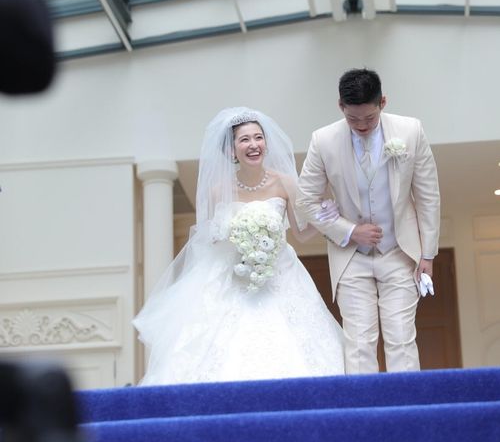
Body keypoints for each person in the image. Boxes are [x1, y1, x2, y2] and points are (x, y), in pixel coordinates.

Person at [133, 107, 345, 384]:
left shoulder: (285, 183)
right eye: (245, 140)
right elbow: (210, 239)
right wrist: (237, 240)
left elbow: (301, 234)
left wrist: (325, 219)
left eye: (258, 137)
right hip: (235, 277)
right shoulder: (218, 190)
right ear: (231, 150)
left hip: (281, 274)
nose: (254, 145)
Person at [296, 68, 440, 374]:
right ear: (341, 107)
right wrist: (349, 231)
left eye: (369, 118)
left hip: (400, 252)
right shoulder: (323, 140)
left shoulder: (411, 131)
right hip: (351, 257)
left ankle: (406, 403)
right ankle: (364, 406)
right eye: (353, 119)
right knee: (359, 343)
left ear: (383, 102)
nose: (361, 126)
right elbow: (306, 201)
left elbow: (428, 196)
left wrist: (428, 254)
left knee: (401, 338)